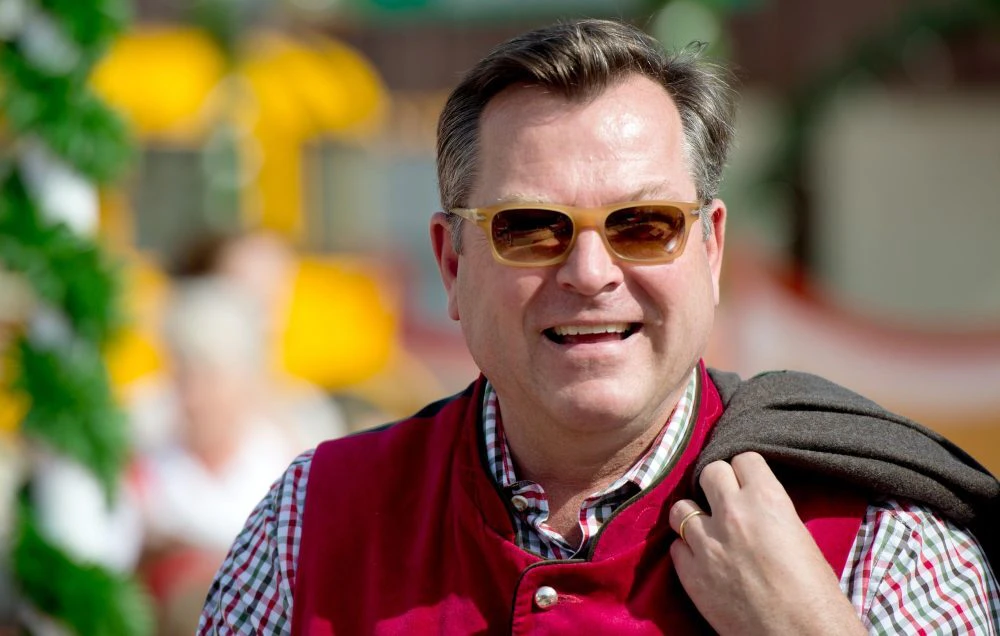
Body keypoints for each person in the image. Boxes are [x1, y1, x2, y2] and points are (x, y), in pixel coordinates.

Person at [199, 19, 999, 634]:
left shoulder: (881, 540)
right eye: (531, 228)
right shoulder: (308, 525)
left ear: (711, 249)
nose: (589, 273)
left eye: (644, 225)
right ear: (451, 263)